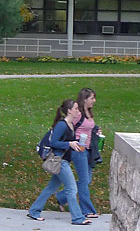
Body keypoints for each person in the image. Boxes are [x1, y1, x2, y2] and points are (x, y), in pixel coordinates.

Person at [27, 99, 92, 225]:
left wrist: (76, 144)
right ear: (69, 111)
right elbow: (53, 143)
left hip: (63, 161)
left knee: (51, 187)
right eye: (76, 109)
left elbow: (68, 143)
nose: (78, 111)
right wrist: (69, 143)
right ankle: (78, 218)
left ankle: (34, 210)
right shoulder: (62, 125)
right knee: (72, 189)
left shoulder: (71, 125)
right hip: (59, 161)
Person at [54, 88, 102, 219]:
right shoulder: (78, 114)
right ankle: (86, 210)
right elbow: (67, 126)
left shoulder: (89, 113)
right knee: (84, 180)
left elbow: (88, 128)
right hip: (78, 150)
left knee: (86, 180)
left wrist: (96, 131)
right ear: (85, 99)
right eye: (92, 98)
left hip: (89, 150)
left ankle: (61, 196)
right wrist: (69, 143)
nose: (94, 101)